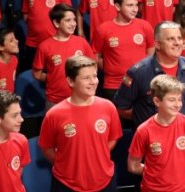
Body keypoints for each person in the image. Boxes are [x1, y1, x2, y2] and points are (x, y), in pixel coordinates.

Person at [39, 55, 123, 192]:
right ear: (70, 81)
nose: (93, 82)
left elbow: (113, 138)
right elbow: (47, 148)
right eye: (86, 78)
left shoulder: (108, 107)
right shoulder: (54, 114)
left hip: (104, 181)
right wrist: (66, 162)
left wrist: (97, 155)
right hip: (66, 184)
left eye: (94, 76)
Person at [126, 75, 185, 192]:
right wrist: (158, 172)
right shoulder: (144, 130)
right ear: (157, 101)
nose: (177, 104)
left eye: (179, 99)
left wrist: (176, 171)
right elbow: (133, 166)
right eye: (171, 100)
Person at [114, 21, 185, 127]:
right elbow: (121, 108)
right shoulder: (138, 72)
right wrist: (147, 122)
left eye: (179, 38)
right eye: (171, 39)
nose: (177, 43)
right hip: (152, 140)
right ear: (157, 44)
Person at [92, 0, 155, 99]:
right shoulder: (103, 29)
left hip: (141, 84)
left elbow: (151, 54)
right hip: (113, 85)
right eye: (130, 5)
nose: (135, 9)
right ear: (117, 6)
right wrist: (110, 67)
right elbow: (95, 56)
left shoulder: (145, 26)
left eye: (136, 5)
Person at [32, 4, 94, 106]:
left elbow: (92, 66)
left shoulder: (81, 42)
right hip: (55, 100)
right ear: (56, 23)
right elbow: (37, 73)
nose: (73, 24)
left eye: (74, 20)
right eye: (68, 20)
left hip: (81, 98)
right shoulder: (45, 46)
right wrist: (53, 76)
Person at [22, 0, 72, 70]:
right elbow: (26, 15)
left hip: (54, 43)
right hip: (33, 43)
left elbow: (68, 16)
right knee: (34, 73)